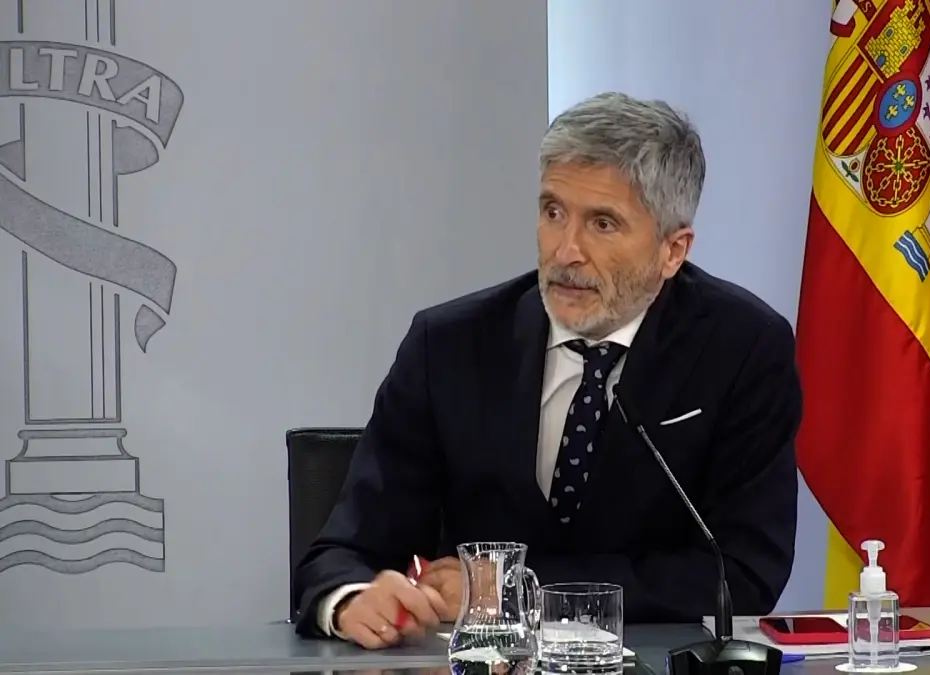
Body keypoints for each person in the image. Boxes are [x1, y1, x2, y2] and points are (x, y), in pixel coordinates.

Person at [292, 92, 803, 648]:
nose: (566, 251)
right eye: (553, 212)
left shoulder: (742, 348)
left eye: (602, 224)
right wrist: (350, 600)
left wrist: (516, 590)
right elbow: (342, 552)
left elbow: (742, 574)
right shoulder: (450, 345)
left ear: (672, 251)